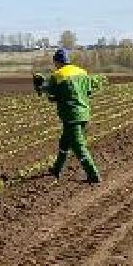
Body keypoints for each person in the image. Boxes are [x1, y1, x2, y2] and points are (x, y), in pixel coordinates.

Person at [37, 47, 103, 182]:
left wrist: (41, 87)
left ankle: (93, 174)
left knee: (78, 146)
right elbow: (89, 92)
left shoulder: (58, 75)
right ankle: (56, 168)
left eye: (55, 63)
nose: (55, 65)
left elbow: (51, 96)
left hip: (71, 115)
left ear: (58, 62)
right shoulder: (83, 72)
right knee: (64, 142)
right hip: (84, 113)